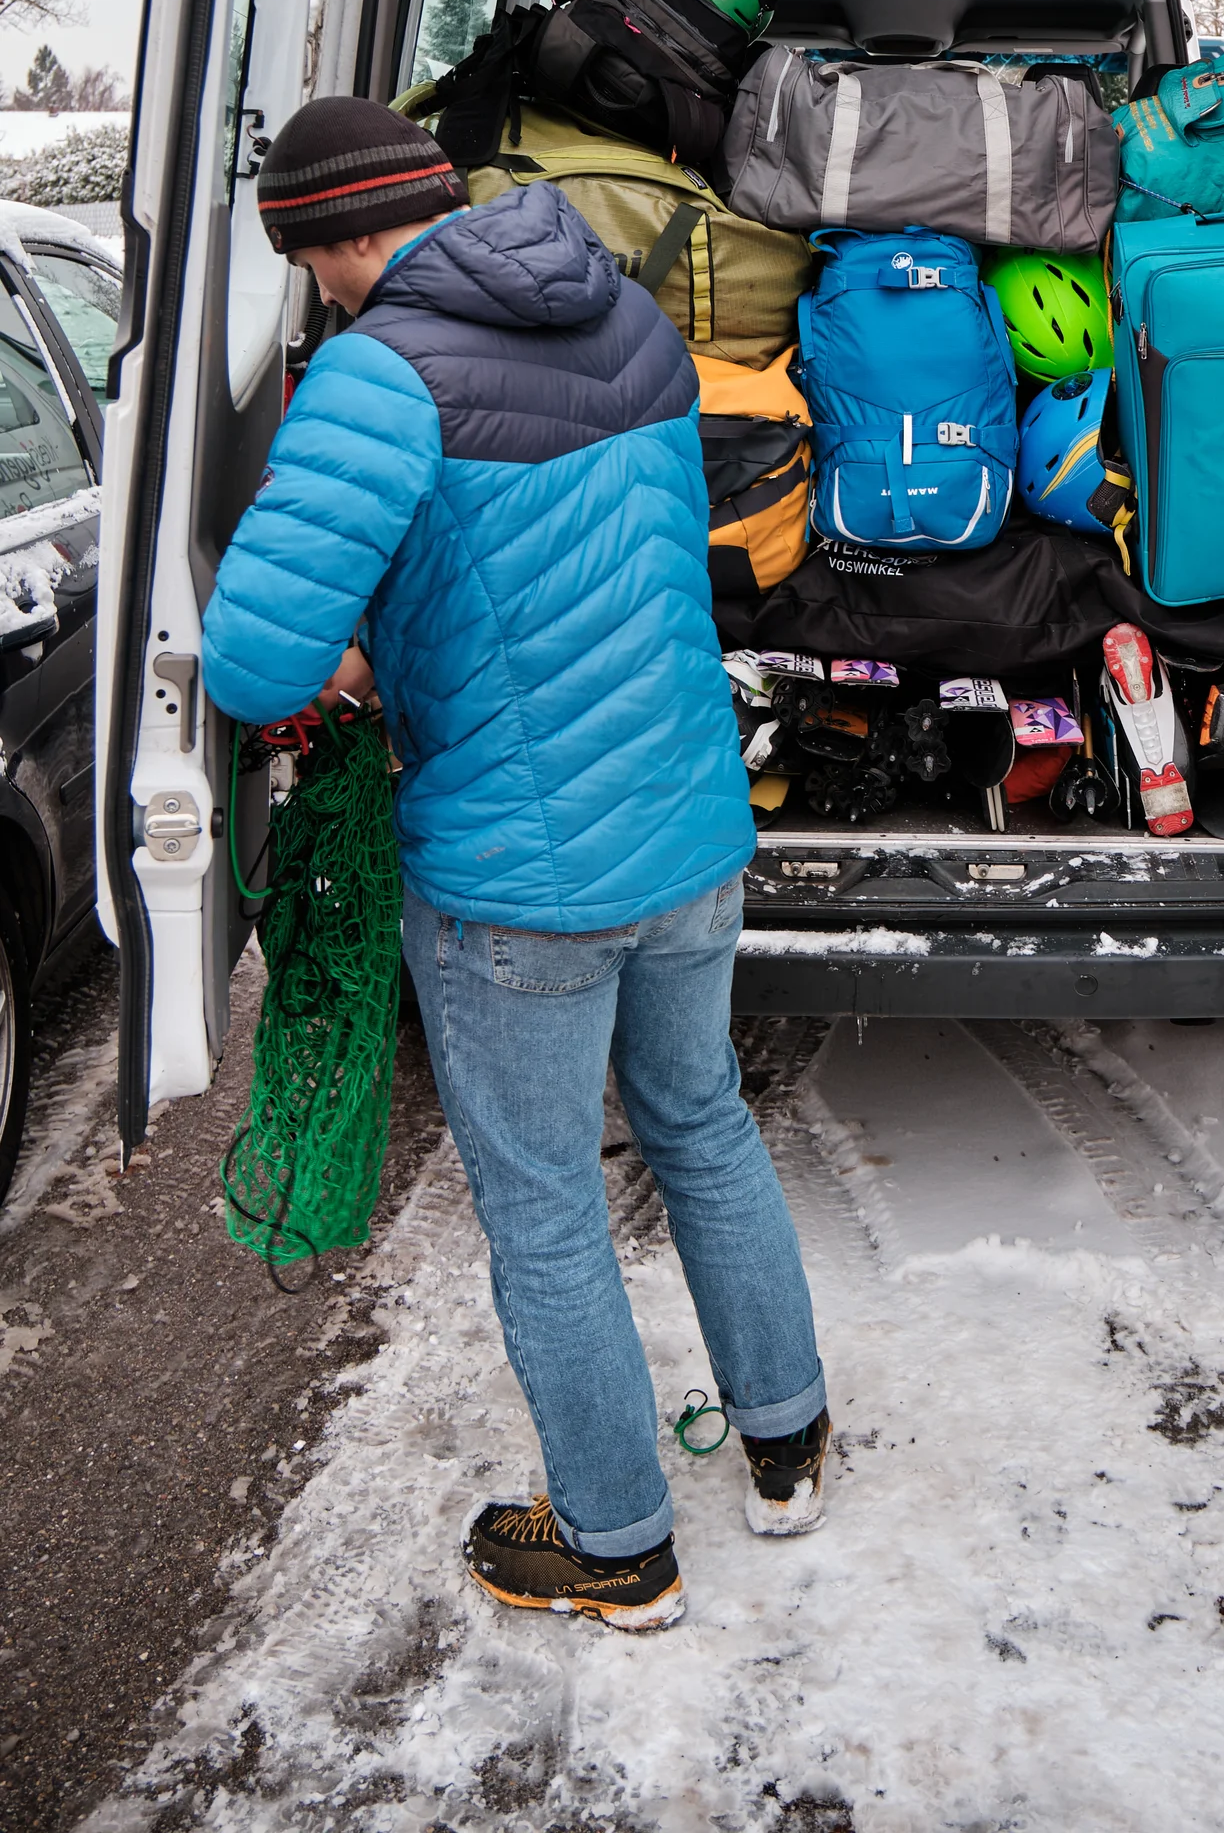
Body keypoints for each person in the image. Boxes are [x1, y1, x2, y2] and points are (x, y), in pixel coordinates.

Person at [201, 98, 828, 1630]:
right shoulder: (619, 309)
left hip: (517, 878)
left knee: (544, 1205)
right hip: (685, 824)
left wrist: (354, 672)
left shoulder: (377, 375)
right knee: (702, 1119)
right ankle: (787, 1441)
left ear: (338, 241)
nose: (322, 292)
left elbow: (248, 659)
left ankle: (614, 1542)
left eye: (312, 262)